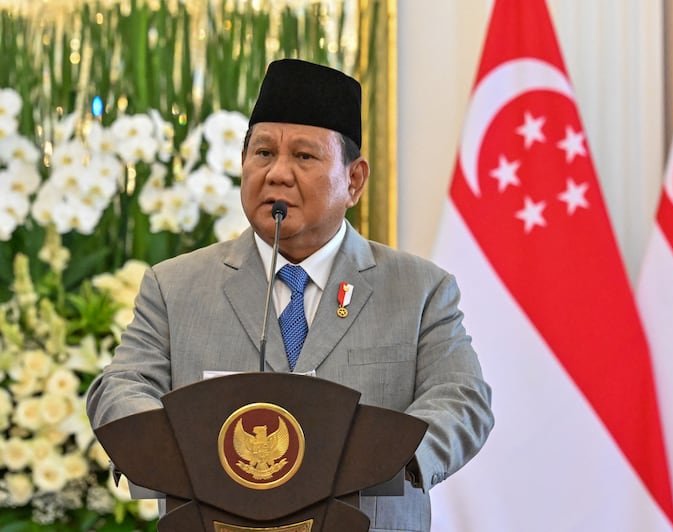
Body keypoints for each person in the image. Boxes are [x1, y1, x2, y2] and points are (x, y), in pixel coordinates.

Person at [86, 58, 493, 532]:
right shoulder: (174, 286)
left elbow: (462, 399)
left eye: (304, 157)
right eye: (262, 154)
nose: (277, 173)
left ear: (354, 180)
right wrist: (182, 450)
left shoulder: (420, 289)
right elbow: (119, 387)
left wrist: (383, 455)